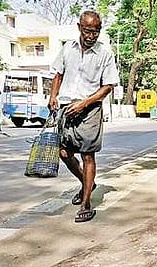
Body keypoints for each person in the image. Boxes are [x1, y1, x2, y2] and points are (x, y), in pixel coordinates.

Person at [48, 10, 119, 223]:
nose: (91, 35)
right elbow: (58, 75)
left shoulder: (105, 53)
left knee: (88, 156)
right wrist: (53, 96)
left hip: (90, 109)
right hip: (67, 107)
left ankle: (86, 201)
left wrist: (85, 103)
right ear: (80, 27)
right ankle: (87, 182)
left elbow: (108, 86)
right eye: (88, 30)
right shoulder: (67, 48)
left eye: (96, 31)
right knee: (64, 153)